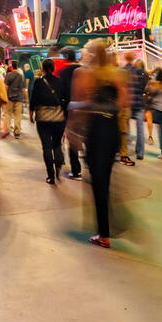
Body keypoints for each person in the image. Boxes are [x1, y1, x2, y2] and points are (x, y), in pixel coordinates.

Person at [68, 39, 128, 247]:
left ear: (91, 55)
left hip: (95, 132)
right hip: (112, 131)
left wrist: (73, 129)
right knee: (105, 180)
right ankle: (107, 228)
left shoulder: (84, 74)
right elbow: (123, 102)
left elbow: (80, 103)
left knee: (97, 183)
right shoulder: (116, 74)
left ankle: (104, 233)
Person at [30, 59, 67, 183]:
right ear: (54, 68)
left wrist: (31, 114)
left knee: (46, 146)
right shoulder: (60, 81)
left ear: (43, 69)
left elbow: (33, 99)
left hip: (43, 118)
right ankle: (58, 166)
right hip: (58, 118)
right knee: (57, 144)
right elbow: (66, 99)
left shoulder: (38, 82)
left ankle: (50, 176)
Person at [57, 47, 82, 179]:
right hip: (84, 109)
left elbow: (60, 93)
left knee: (72, 140)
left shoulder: (63, 72)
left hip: (69, 110)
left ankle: (76, 170)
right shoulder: (84, 70)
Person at [124, 52, 147, 163]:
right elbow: (143, 87)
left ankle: (125, 151)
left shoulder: (123, 71)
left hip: (128, 103)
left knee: (126, 128)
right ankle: (140, 153)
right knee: (140, 129)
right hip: (139, 103)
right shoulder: (141, 72)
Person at [2, 61, 26, 139]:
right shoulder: (20, 76)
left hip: (10, 98)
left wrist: (4, 96)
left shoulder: (8, 75)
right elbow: (23, 88)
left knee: (8, 114)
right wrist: (26, 97)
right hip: (19, 98)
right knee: (18, 115)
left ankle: (7, 130)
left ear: (11, 67)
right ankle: (17, 132)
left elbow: (5, 87)